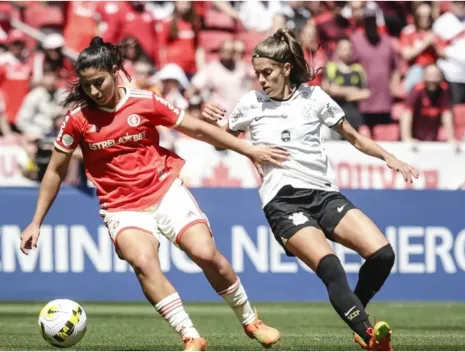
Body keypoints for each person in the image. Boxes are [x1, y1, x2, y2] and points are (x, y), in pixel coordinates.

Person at [19, 37, 286, 352]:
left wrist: (247, 149)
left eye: (99, 82)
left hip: (164, 190)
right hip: (121, 207)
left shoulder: (146, 101)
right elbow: (54, 170)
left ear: (115, 71)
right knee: (143, 261)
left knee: (205, 252)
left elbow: (196, 129)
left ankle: (250, 320)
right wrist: (36, 221)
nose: (93, 91)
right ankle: (191, 336)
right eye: (87, 85)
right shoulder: (78, 119)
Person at [202, 28, 420, 351]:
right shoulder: (251, 104)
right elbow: (220, 143)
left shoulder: (314, 98)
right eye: (257, 73)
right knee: (331, 267)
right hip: (284, 202)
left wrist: (389, 157)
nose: (260, 80)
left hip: (324, 194)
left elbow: (355, 137)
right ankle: (371, 336)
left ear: (286, 69)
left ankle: (355, 313)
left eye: (267, 72)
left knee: (383, 255)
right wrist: (210, 124)